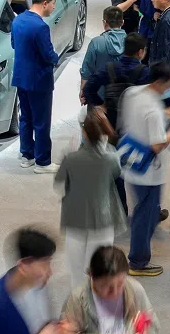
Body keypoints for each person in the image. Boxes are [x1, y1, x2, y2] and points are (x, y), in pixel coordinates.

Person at [118, 61, 170, 277]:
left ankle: (152, 215)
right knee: (143, 216)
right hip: (149, 173)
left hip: (130, 160)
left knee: (144, 208)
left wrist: (166, 114)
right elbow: (156, 144)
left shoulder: (132, 93)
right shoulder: (153, 110)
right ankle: (138, 262)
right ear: (161, 81)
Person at [55, 107, 126, 289]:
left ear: (83, 132)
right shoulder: (111, 157)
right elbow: (116, 174)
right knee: (99, 269)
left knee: (76, 271)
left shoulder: (71, 158)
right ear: (105, 132)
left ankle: (78, 304)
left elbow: (59, 184)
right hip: (103, 218)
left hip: (75, 217)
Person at [11, 0, 60, 173]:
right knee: (41, 121)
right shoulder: (41, 26)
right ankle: (43, 162)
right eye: (53, 4)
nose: (53, 8)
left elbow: (14, 45)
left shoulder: (17, 20)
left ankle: (27, 155)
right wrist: (56, 58)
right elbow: (48, 54)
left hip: (21, 77)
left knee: (26, 118)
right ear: (45, 3)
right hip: (39, 80)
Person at [60, 246, 160, 333]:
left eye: (121, 283)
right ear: (92, 277)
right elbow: (66, 329)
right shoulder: (78, 299)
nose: (116, 292)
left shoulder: (134, 290)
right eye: (107, 286)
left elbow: (152, 324)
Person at [0, 227, 66, 334]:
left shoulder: (37, 281)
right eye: (44, 264)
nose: (50, 271)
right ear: (23, 265)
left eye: (49, 262)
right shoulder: (0, 309)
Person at [79, 6, 126, 105]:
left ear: (105, 23)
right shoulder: (131, 43)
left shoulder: (96, 42)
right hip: (123, 98)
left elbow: (87, 70)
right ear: (122, 22)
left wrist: (83, 91)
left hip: (98, 97)